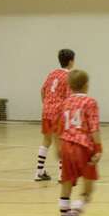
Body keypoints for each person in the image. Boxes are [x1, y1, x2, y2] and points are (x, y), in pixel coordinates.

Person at [57, 69, 102, 216]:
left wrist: (58, 148)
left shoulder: (65, 102)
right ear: (86, 85)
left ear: (70, 86)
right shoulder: (90, 102)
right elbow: (94, 127)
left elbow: (59, 127)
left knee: (66, 188)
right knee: (87, 191)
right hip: (83, 147)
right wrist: (98, 148)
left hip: (66, 145)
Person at [35, 48, 75, 181]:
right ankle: (62, 174)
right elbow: (69, 97)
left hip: (47, 111)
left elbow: (42, 90)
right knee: (61, 142)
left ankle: (39, 172)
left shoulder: (52, 73)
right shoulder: (69, 76)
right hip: (59, 113)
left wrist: (47, 104)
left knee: (46, 141)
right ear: (71, 61)